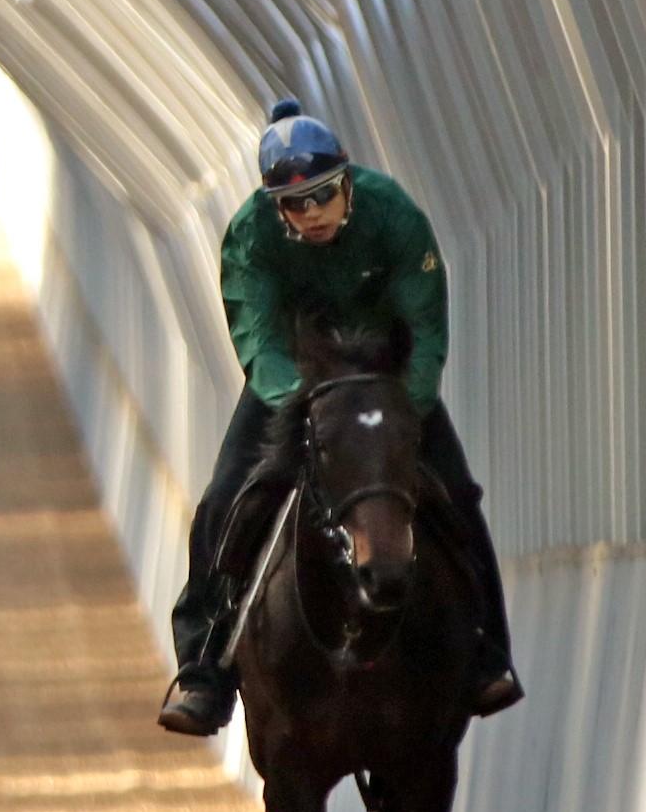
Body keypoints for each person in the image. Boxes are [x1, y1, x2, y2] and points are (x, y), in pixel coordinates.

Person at [158, 99, 526, 736]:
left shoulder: (396, 216)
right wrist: (305, 404)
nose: (310, 214)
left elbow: (427, 326)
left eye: (322, 196)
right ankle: (204, 668)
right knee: (224, 501)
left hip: (387, 377)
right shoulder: (250, 237)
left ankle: (486, 651)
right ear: (275, 206)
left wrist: (405, 406)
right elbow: (257, 339)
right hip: (298, 386)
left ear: (347, 180)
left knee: (458, 497)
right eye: (293, 204)